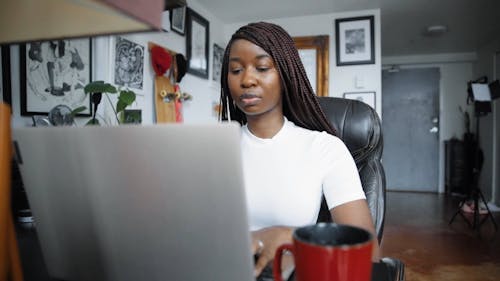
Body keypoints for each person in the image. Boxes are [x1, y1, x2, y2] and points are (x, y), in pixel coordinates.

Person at [218, 22, 380, 277]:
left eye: (261, 68)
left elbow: (368, 253)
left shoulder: (325, 148)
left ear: (286, 74)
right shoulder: (215, 147)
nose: (247, 79)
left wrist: (292, 237)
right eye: (236, 69)